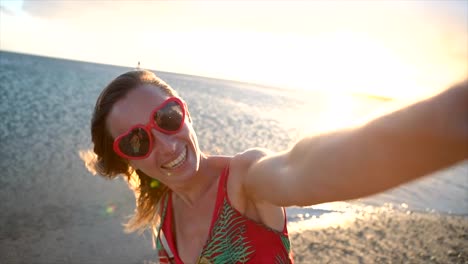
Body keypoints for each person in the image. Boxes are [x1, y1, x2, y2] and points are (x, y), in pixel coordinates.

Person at [85, 69, 467, 263]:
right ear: (126, 160)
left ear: (185, 112)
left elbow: (302, 170)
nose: (167, 143)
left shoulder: (245, 180)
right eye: (138, 141)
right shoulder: (164, 220)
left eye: (167, 117)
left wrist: (453, 115)